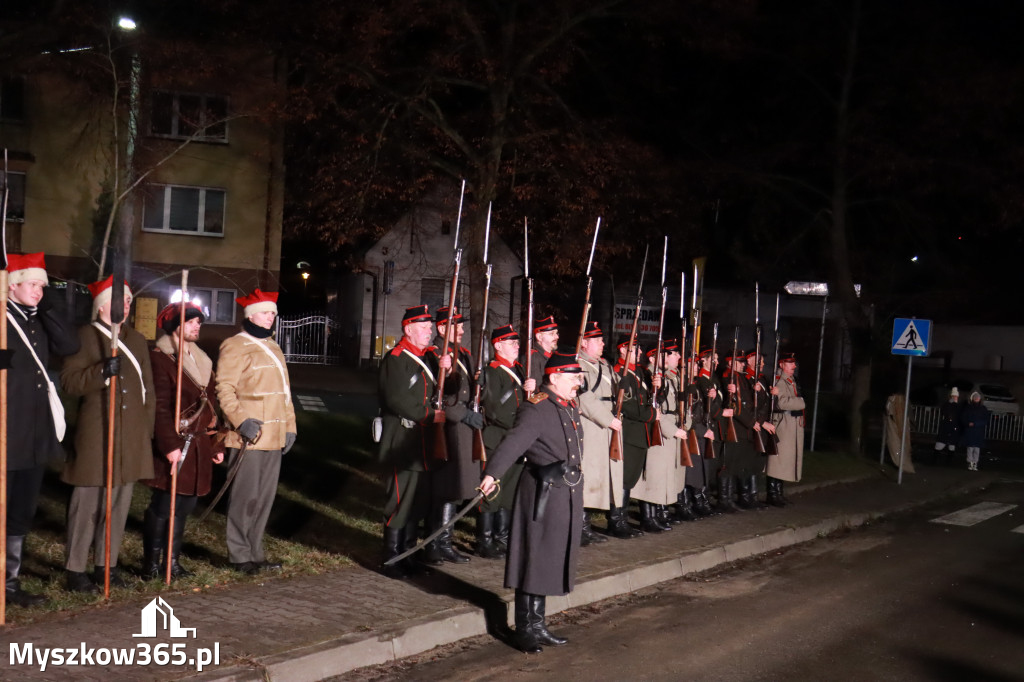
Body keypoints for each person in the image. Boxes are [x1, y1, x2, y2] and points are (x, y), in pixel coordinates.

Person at [480, 352, 585, 654]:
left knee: (550, 559)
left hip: (564, 492)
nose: (578, 383)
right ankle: (524, 627)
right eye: (573, 378)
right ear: (554, 378)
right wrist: (491, 474)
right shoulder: (536, 408)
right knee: (533, 558)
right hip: (540, 493)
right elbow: (513, 442)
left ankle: (538, 624)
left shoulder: (567, 406)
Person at [60, 275, 155, 592]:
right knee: (87, 505)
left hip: (130, 437)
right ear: (102, 306)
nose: (126, 306)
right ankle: (75, 569)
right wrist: (101, 372)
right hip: (97, 436)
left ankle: (106, 565)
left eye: (129, 301)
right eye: (120, 301)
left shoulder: (137, 339)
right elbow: (70, 382)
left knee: (118, 505)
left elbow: (147, 392)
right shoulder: (85, 337)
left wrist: (146, 433)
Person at [4, 253, 80, 606]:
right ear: (12, 284)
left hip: (34, 434)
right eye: (33, 284)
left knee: (22, 509)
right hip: (7, 432)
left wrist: (48, 305)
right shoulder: (2, 321)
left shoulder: (38, 322)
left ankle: (9, 583)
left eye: (42, 285)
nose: (39, 290)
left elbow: (69, 346)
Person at [140, 302, 225, 580]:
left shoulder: (201, 360)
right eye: (190, 322)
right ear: (175, 327)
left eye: (198, 322)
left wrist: (217, 444)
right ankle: (152, 565)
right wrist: (169, 447)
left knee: (185, 507)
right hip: (176, 445)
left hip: (199, 445)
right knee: (164, 506)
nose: (196, 326)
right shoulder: (161, 359)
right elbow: (160, 407)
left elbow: (211, 407)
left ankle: (172, 563)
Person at [216, 288, 296, 575]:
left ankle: (256, 551)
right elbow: (224, 388)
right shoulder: (234, 345)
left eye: (273, 312)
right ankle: (239, 554)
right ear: (251, 315)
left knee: (264, 498)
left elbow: (285, 393)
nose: (271, 317)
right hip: (249, 436)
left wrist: (290, 427)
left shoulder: (273, 346)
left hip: (274, 437)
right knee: (244, 497)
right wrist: (240, 420)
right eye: (266, 312)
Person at [376, 305, 449, 578]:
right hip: (402, 442)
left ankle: (408, 553)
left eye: (430, 328)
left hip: (423, 443)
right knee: (400, 501)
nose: (430, 332)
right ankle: (391, 559)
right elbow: (397, 400)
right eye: (425, 327)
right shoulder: (397, 359)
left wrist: (448, 369)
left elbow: (444, 388)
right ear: (408, 329)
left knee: (417, 502)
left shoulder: (430, 357)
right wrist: (431, 415)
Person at [423, 306, 481, 564]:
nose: (461, 329)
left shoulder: (464, 354)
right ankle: (436, 543)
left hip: (465, 429)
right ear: (441, 328)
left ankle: (444, 541)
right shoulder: (435, 354)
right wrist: (463, 415)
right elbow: (440, 394)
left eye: (461, 325)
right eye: (456, 325)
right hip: (449, 427)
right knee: (446, 488)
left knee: (457, 489)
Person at [477, 324, 535, 558]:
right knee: (492, 492)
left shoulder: (520, 369)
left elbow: (533, 402)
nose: (516, 346)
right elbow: (493, 409)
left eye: (517, 343)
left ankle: (502, 537)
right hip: (499, 437)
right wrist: (519, 427)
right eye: (511, 343)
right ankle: (484, 540)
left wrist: (535, 389)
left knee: (510, 490)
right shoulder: (492, 371)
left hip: (518, 440)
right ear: (497, 345)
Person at [576, 321, 623, 541]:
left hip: (609, 423)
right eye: (597, 340)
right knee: (589, 474)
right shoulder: (579, 364)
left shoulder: (605, 364)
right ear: (584, 343)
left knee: (603, 475)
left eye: (602, 340)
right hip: (593, 425)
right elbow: (583, 397)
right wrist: (607, 419)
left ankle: (591, 526)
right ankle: (582, 528)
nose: (603, 343)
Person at [633, 342, 684, 532]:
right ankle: (648, 518)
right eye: (672, 354)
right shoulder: (648, 376)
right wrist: (671, 430)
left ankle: (659, 514)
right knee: (652, 476)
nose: (677, 357)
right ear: (653, 358)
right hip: (657, 428)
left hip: (668, 425)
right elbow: (655, 408)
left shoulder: (666, 378)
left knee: (662, 475)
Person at [615, 338, 659, 532]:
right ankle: (618, 521)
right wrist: (650, 415)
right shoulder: (619, 372)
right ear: (623, 350)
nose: (639, 351)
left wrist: (659, 385)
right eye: (634, 348)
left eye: (640, 347)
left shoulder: (640, 372)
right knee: (624, 478)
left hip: (641, 434)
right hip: (629, 433)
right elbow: (628, 405)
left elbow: (653, 398)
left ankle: (622, 520)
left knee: (631, 478)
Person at [682, 348, 722, 517]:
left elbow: (709, 410)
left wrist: (713, 399)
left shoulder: (706, 383)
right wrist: (701, 430)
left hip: (703, 428)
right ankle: (690, 503)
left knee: (702, 468)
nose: (696, 368)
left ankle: (700, 501)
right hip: (695, 430)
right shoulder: (694, 385)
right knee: (693, 470)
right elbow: (693, 412)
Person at [766, 352, 805, 506]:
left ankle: (778, 493)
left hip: (791, 425)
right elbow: (782, 403)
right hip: (783, 425)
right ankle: (773, 494)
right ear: (781, 364)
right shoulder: (779, 381)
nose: (794, 366)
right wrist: (800, 402)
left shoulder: (790, 380)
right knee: (778, 461)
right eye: (790, 363)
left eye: (794, 363)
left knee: (783, 461)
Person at [525, 315, 559, 390]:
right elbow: (538, 388)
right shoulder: (533, 357)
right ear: (539, 337)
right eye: (551, 333)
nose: (556, 337)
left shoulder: (554, 356)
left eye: (556, 333)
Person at [932, 387, 961, 466]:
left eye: (956, 396)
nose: (955, 398)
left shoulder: (958, 406)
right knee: (940, 445)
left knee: (952, 446)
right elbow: (945, 412)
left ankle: (948, 463)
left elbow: (959, 416)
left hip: (954, 428)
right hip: (946, 427)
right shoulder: (947, 405)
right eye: (954, 396)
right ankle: (935, 461)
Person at [961, 391, 989, 471]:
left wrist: (976, 424)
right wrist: (967, 423)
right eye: (975, 397)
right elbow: (963, 418)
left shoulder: (983, 408)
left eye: (978, 397)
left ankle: (975, 463)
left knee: (977, 448)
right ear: (972, 398)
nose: (976, 398)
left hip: (978, 431)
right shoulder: (968, 408)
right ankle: (970, 462)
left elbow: (985, 420)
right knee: (970, 448)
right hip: (970, 430)